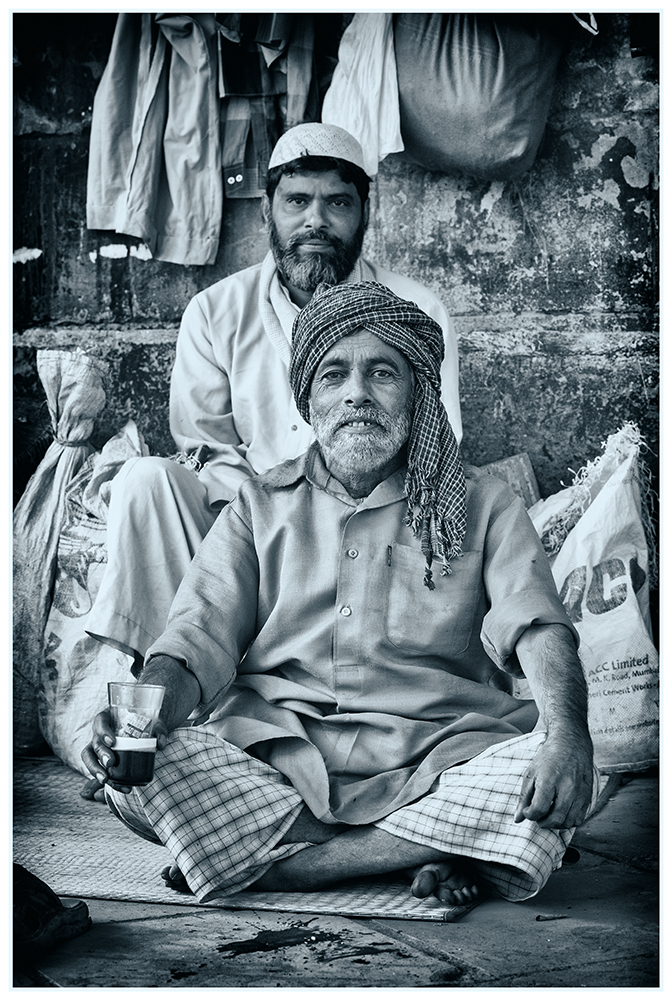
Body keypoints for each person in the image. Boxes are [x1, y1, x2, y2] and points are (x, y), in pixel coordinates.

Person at [83, 281, 597, 907]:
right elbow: (194, 638)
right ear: (308, 396)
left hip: (442, 761)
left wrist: (569, 737)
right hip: (280, 764)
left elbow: (538, 626)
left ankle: (296, 865)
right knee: (138, 775)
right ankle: (425, 850)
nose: (357, 393)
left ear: (419, 394)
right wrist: (146, 722)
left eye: (383, 373)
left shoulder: (485, 503)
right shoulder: (257, 505)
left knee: (557, 773)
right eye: (334, 375)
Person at [85, 122, 461, 671]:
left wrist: (337, 514)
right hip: (245, 531)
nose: (316, 220)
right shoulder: (215, 313)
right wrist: (275, 520)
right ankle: (156, 688)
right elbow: (206, 450)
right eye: (297, 201)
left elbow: (438, 445)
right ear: (268, 212)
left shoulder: (415, 309)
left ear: (364, 214)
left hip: (377, 527)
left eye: (337, 202)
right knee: (146, 481)